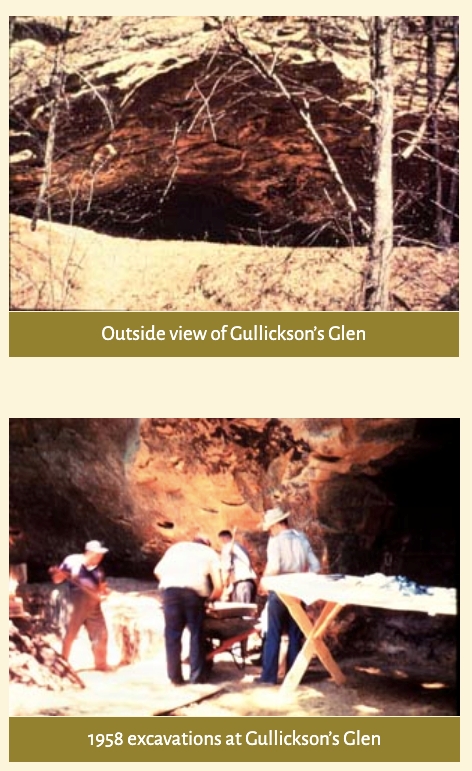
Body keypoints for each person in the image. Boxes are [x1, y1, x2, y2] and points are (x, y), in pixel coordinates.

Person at [258, 506, 320, 685]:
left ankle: (268, 677)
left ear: (277, 524)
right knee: (295, 634)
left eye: (270, 527)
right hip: (299, 591)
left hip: (280, 590)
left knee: (273, 633)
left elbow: (274, 567)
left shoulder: (275, 541)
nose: (270, 530)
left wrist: (264, 582)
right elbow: (315, 567)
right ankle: (294, 676)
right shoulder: (302, 538)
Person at [154, 534, 223, 686]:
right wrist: (210, 600)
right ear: (207, 544)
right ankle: (196, 678)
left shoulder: (176, 548)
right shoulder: (209, 553)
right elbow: (219, 586)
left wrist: (171, 585)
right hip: (193, 594)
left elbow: (157, 571)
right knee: (196, 634)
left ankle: (175, 678)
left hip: (170, 592)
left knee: (172, 635)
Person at [49, 540, 111, 671]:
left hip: (94, 606)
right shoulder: (72, 561)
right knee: (69, 635)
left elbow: (102, 588)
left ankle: (101, 665)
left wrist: (105, 593)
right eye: (97, 555)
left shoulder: (99, 571)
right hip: (75, 604)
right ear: (88, 553)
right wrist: (57, 572)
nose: (100, 558)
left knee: (101, 634)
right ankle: (63, 664)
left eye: (101, 555)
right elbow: (57, 580)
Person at [218, 529, 257, 604]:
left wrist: (224, 585)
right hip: (250, 583)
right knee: (248, 612)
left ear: (223, 539)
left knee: (242, 613)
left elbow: (226, 568)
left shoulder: (228, 547)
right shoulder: (241, 547)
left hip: (241, 584)